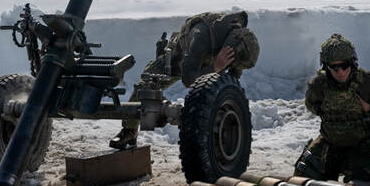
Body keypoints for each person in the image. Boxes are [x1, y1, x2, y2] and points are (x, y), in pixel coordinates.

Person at [109, 11, 259, 149]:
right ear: (228, 49)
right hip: (180, 61)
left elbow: (234, 71)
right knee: (145, 87)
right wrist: (216, 67)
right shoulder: (200, 36)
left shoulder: (239, 37)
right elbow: (188, 79)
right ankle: (129, 132)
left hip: (211, 63)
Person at [294, 33, 370, 182]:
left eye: (344, 65)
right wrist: (326, 113)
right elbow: (311, 104)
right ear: (326, 67)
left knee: (362, 182)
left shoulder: (368, 82)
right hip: (331, 139)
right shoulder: (319, 84)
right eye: (334, 67)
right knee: (303, 173)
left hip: (362, 141)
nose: (340, 72)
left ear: (352, 63)